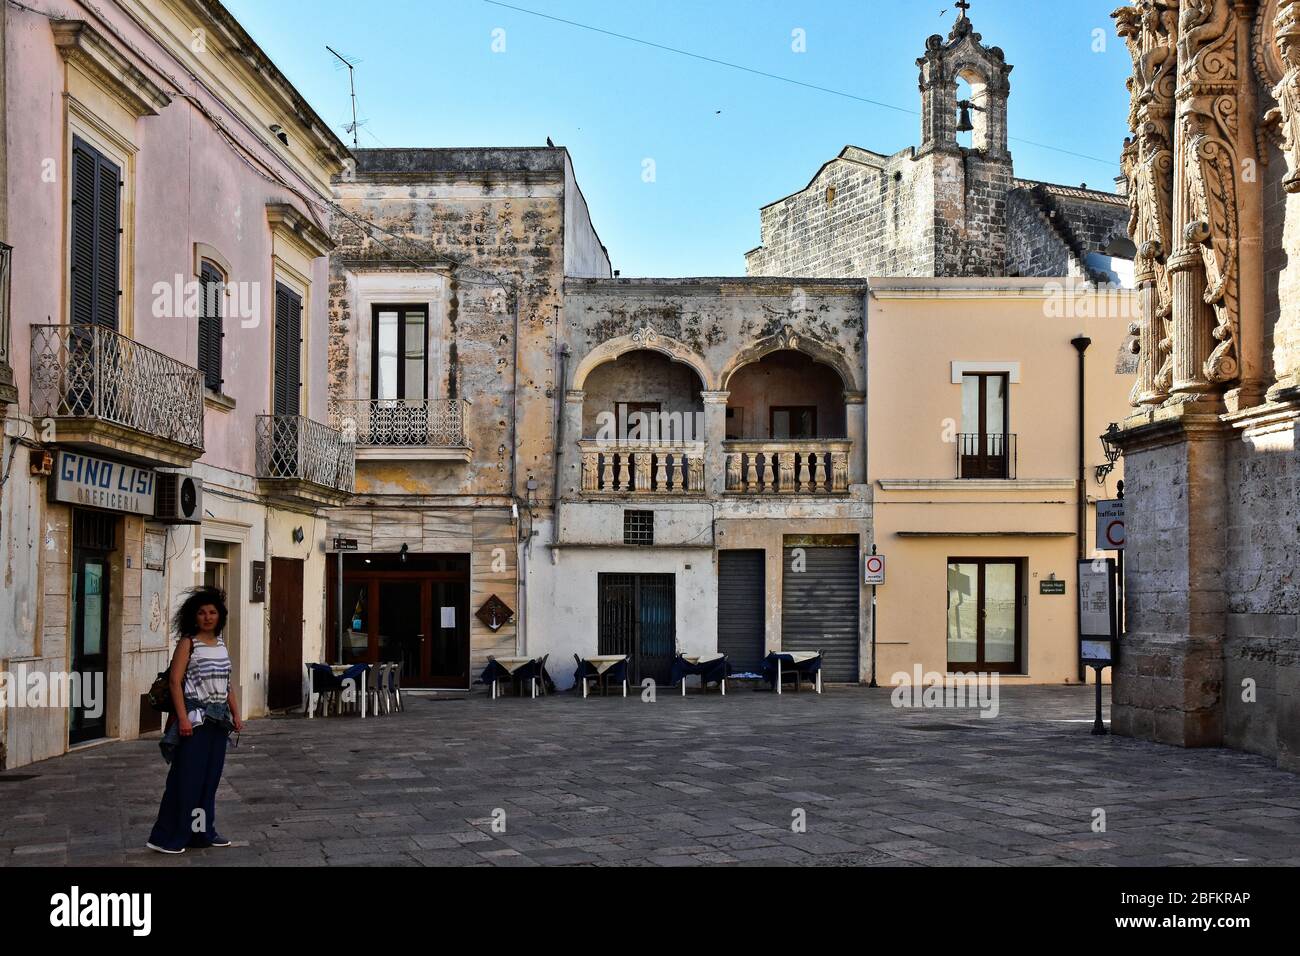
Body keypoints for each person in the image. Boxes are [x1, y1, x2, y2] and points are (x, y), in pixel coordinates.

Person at [146, 586, 243, 854]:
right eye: (202, 612)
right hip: (195, 721)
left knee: (208, 781)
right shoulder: (188, 643)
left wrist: (236, 713)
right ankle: (168, 837)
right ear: (194, 616)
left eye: (212, 612)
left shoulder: (221, 644)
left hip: (218, 722)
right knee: (185, 779)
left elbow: (227, 684)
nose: (207, 617)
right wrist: (183, 719)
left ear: (219, 616)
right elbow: (176, 683)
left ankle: (201, 833)